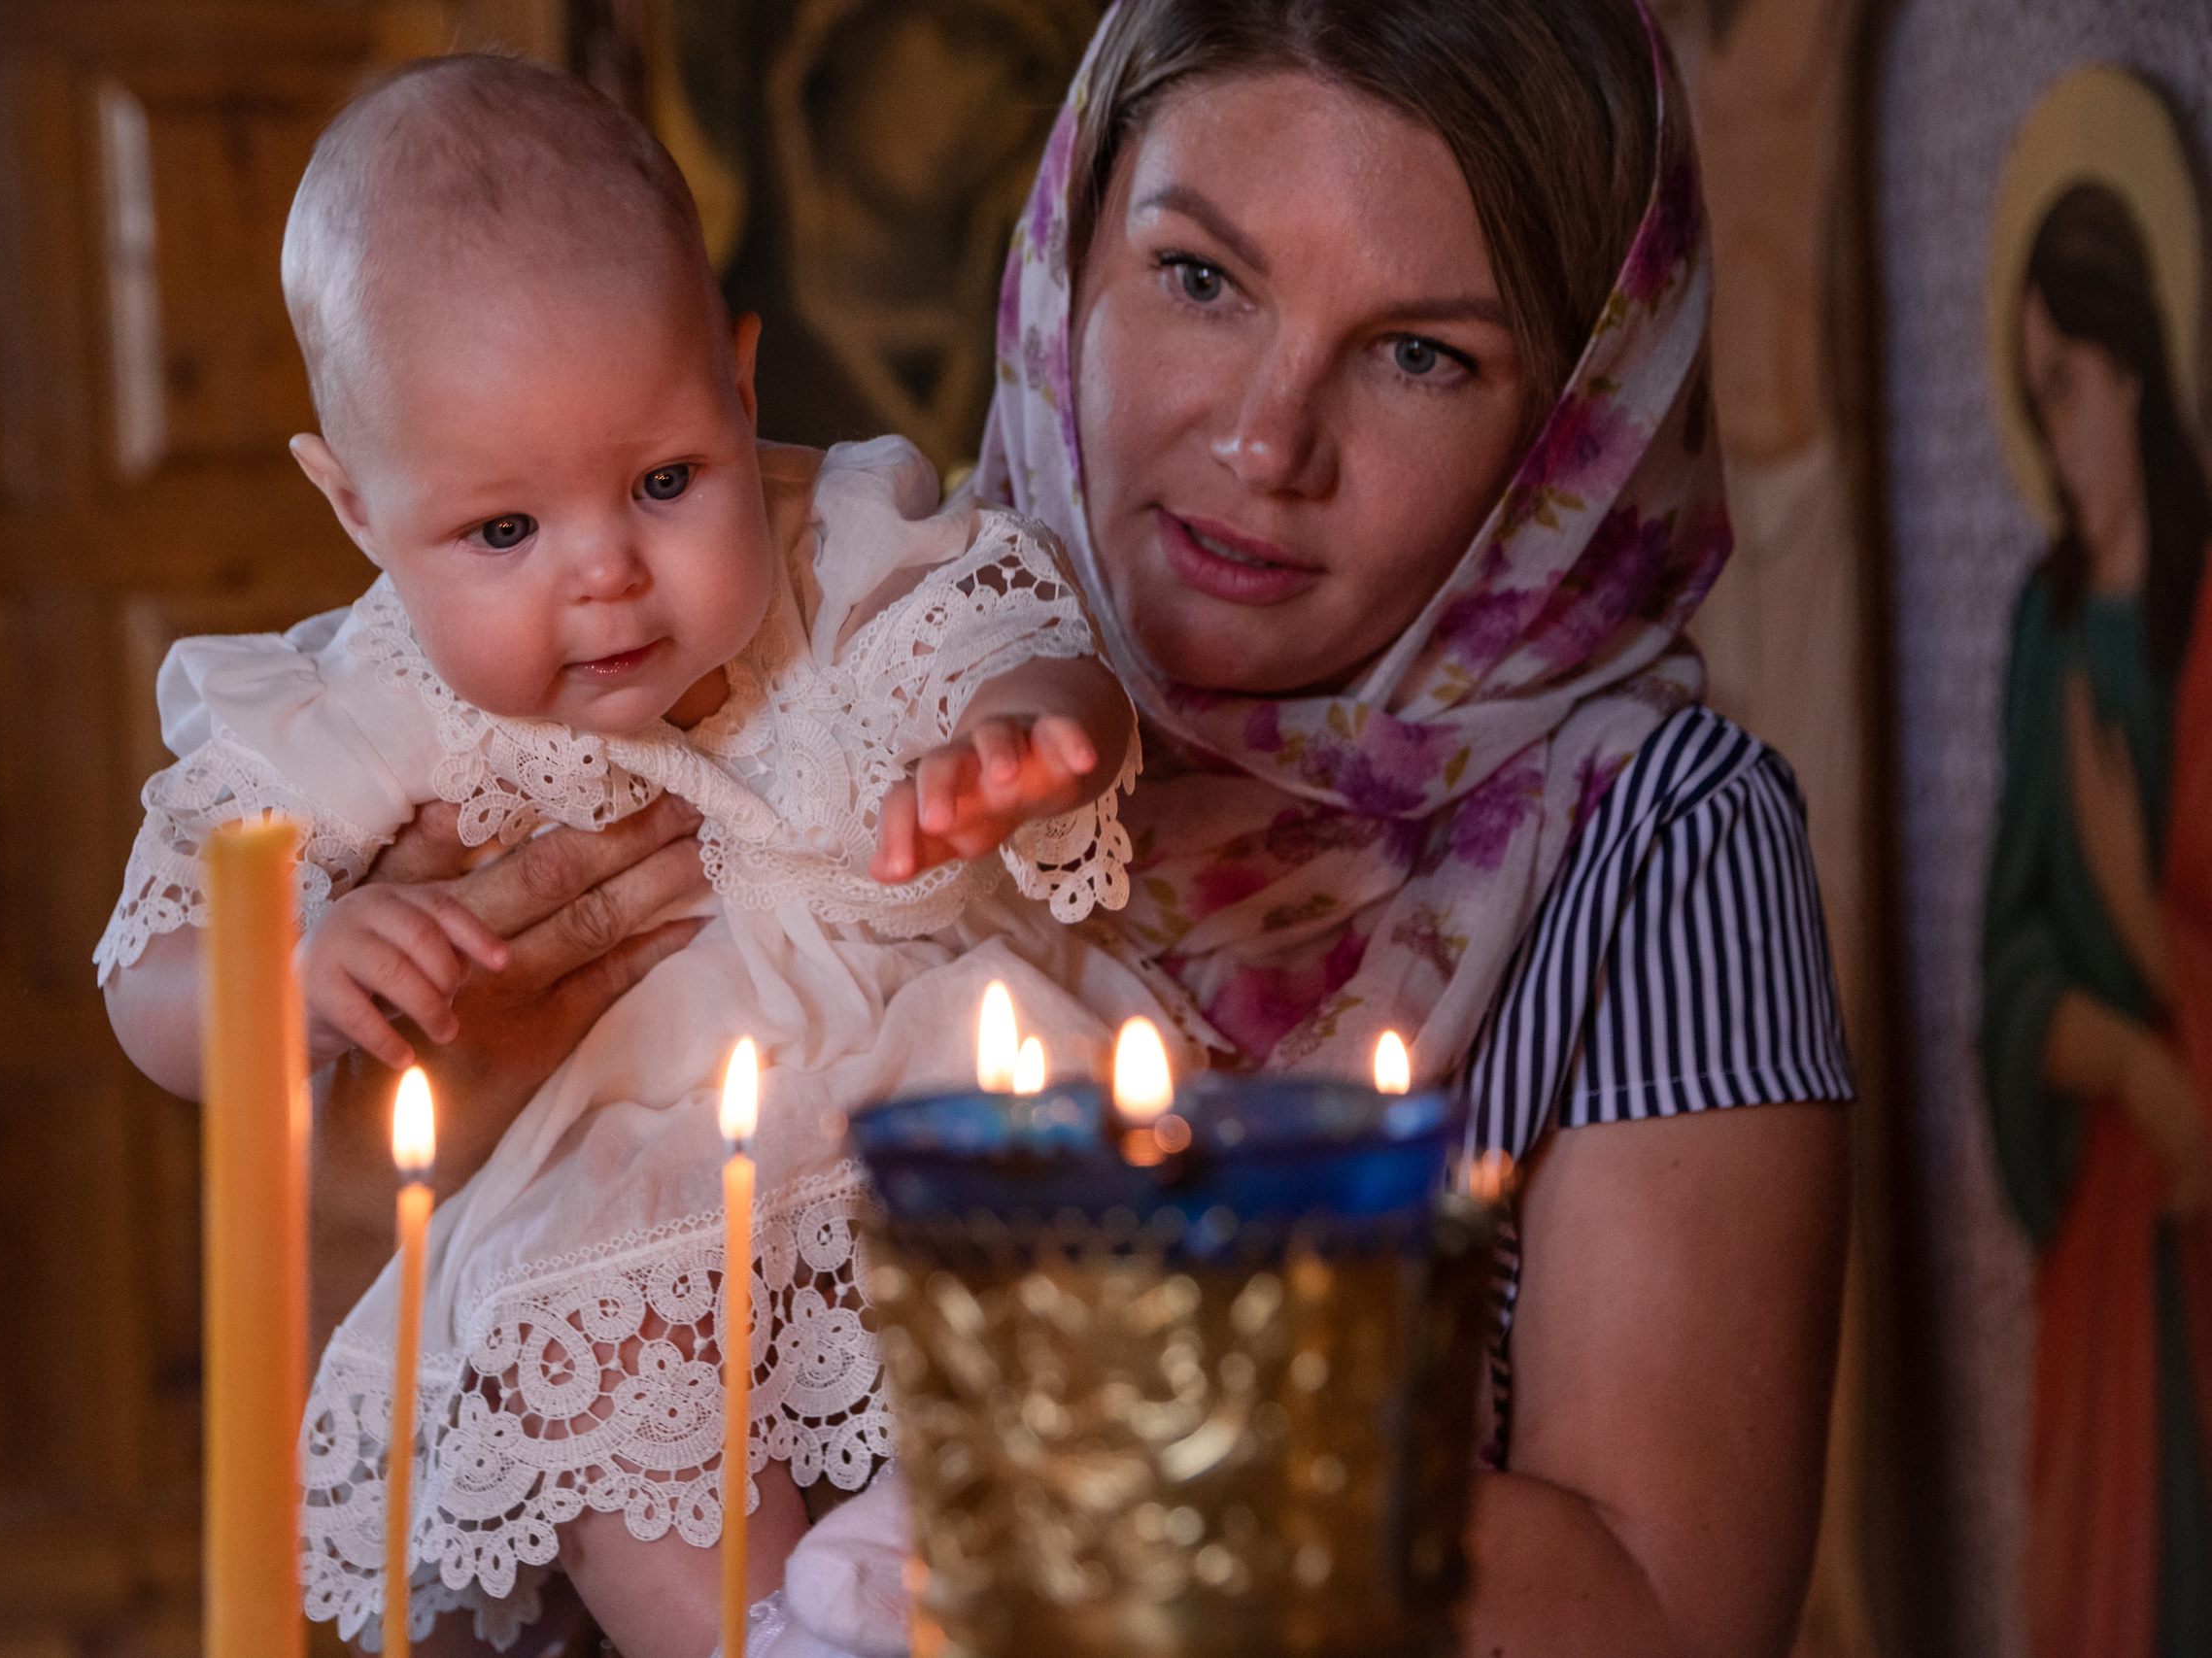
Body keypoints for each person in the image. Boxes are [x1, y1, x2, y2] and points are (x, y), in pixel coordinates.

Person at [347, 2, 1856, 1653]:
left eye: (1422, 352)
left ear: (1575, 425)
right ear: (1068, 262)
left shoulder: (1659, 850)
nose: (1268, 442)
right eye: (1201, 279)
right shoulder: (770, 661)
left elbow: (1668, 1611)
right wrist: (463, 1097)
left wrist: (1100, 1441)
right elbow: (402, 1441)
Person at [92, 55, 1151, 1658]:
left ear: (739, 389)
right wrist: (290, 973)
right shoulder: (371, 701)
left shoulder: (834, 549)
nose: (606, 579)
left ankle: (907, 1581)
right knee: (600, 1341)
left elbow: (1007, 634)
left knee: (1085, 1275)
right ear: (358, 507)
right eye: (505, 533)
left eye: (665, 483)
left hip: (912, 1110)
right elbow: (153, 963)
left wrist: (1023, 734)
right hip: (624, 1183)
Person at [1983, 181, 2212, 1658]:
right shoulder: (2047, 628)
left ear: (2137, 370)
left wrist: (2136, 911)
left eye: (2063, 384)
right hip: (2109, 1214)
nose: (2055, 431)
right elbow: (2007, 950)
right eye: (2031, 395)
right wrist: (2121, 1061)